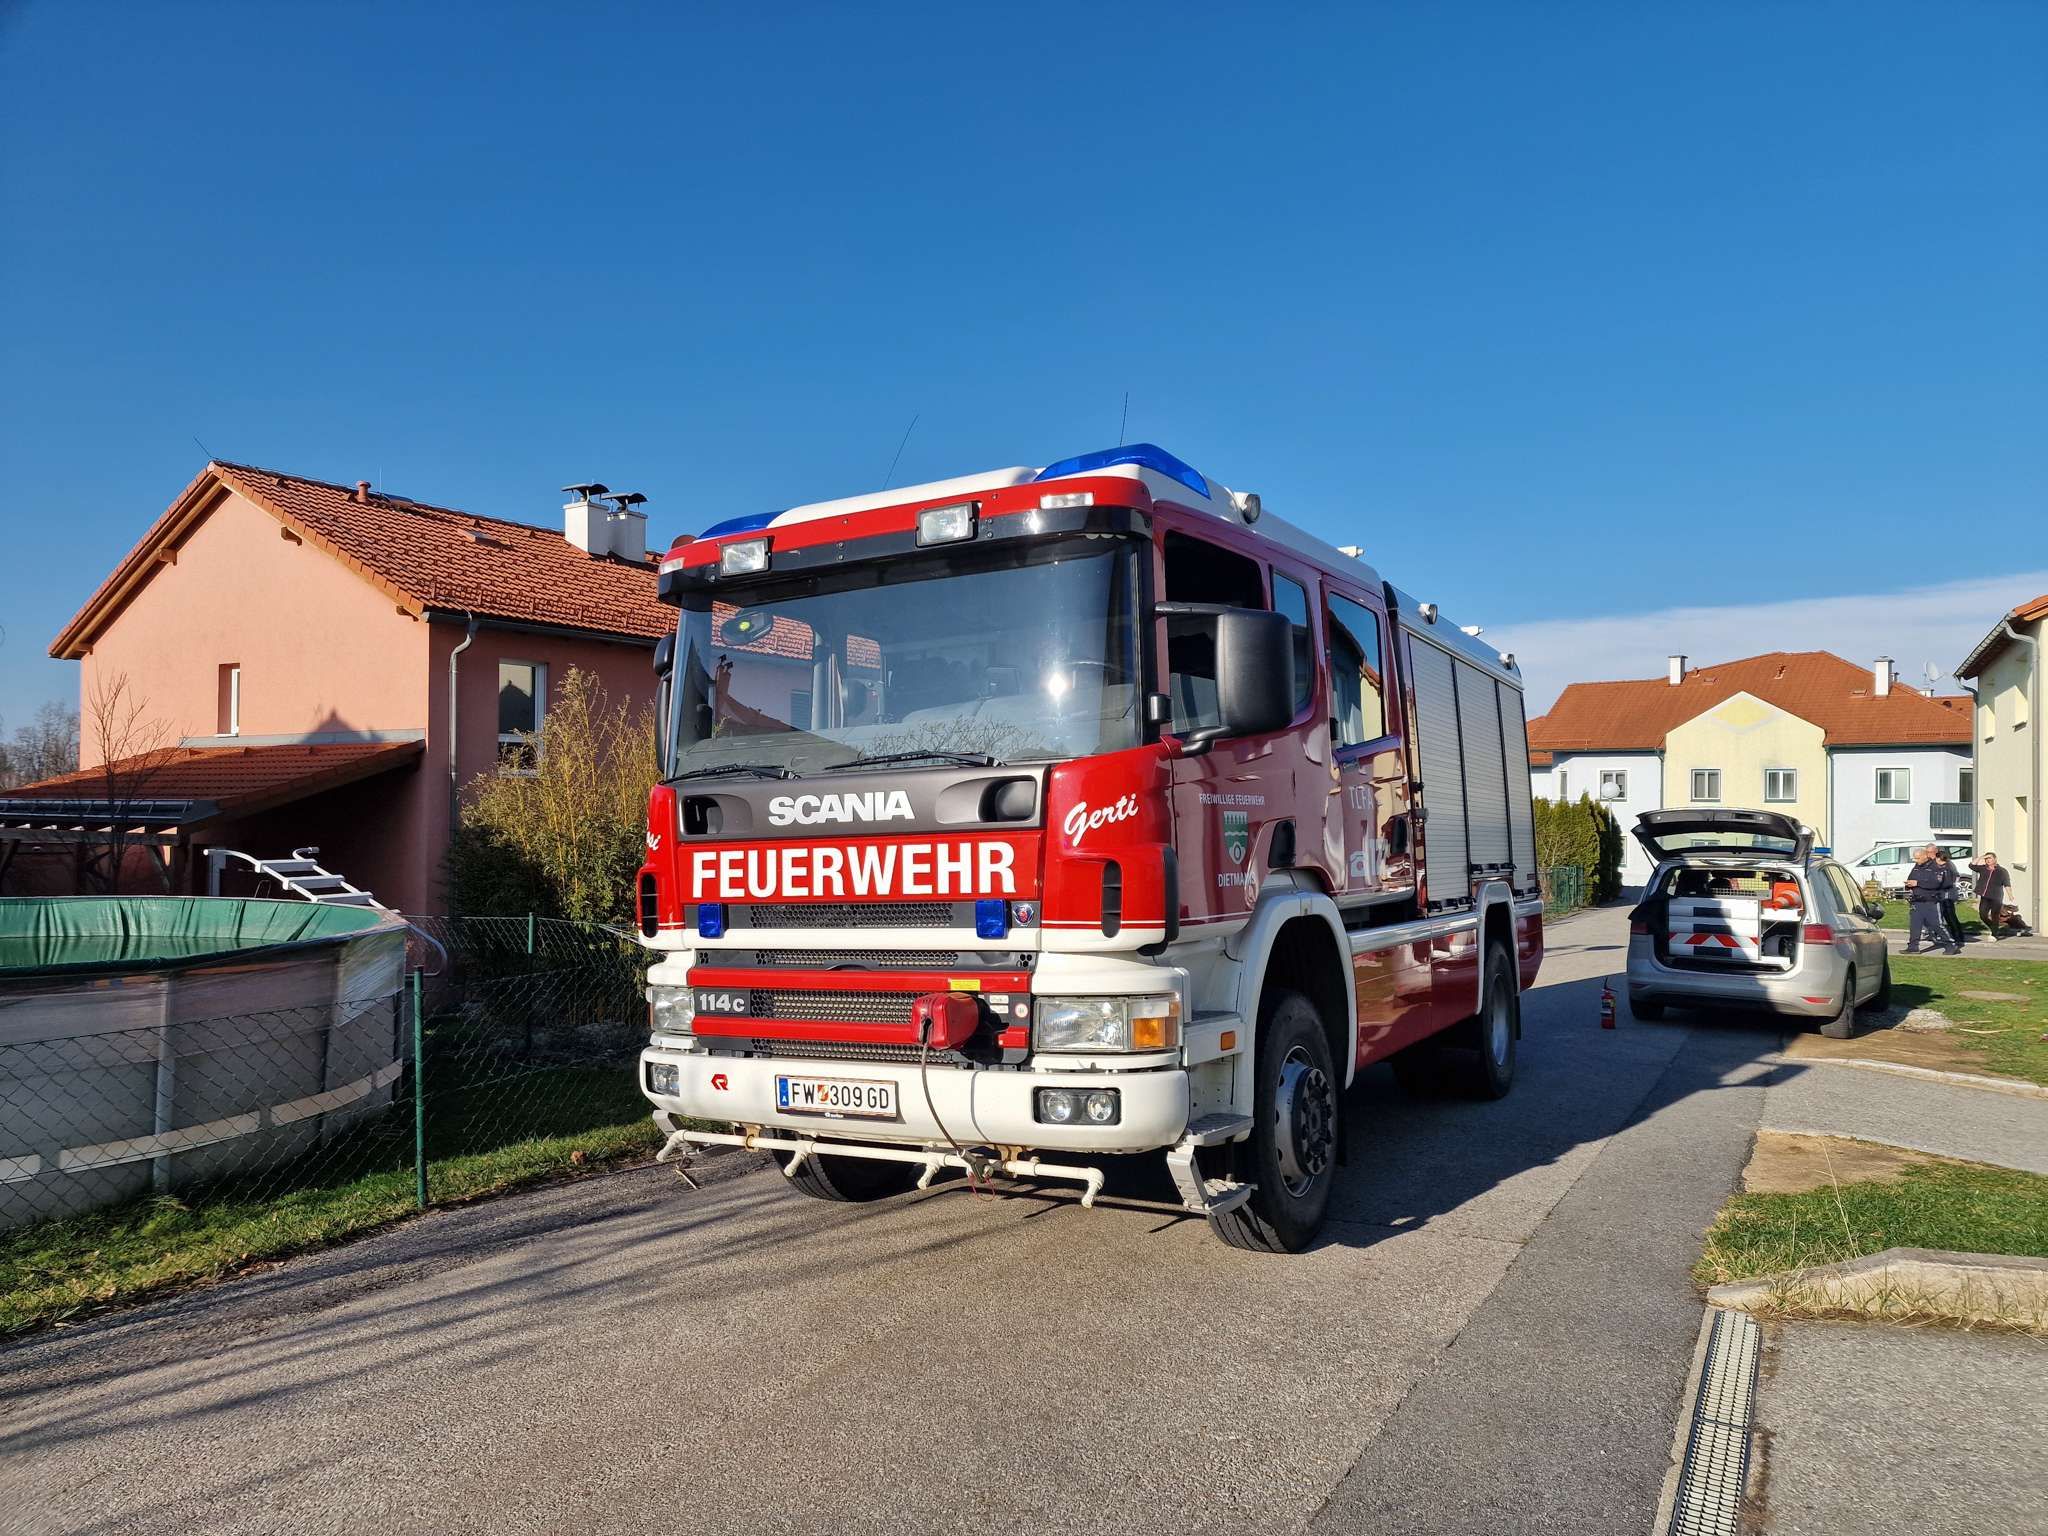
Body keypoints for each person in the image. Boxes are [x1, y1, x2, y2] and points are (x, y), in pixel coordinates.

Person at [1902, 845, 1960, 955]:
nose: (1916, 860)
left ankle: (1951, 945)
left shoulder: (1935, 866)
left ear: (1925, 856)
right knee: (1915, 925)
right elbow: (1911, 878)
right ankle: (1913, 947)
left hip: (1931, 901)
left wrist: (1918, 883)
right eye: (1914, 858)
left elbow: (1936, 883)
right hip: (1917, 901)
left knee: (1937, 925)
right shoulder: (1917, 866)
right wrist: (1909, 884)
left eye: (1918, 858)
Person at [1972, 853, 2014, 942]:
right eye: (1986, 858)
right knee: (1983, 915)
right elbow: (1971, 865)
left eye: (1990, 858)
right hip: (1985, 896)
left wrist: (2010, 895)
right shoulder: (1983, 868)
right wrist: (1981, 857)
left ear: (1995, 859)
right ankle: (1994, 928)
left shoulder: (2002, 871)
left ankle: (1994, 934)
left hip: (1996, 897)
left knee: (1995, 915)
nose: (1988, 860)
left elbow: (2007, 884)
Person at [1934, 847, 1968, 946]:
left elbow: (1949, 882)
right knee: (1937, 916)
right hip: (1939, 895)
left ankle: (1958, 937)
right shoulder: (1937, 866)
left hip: (1946, 896)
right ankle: (1939, 935)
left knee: (1950, 917)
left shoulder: (1947, 867)